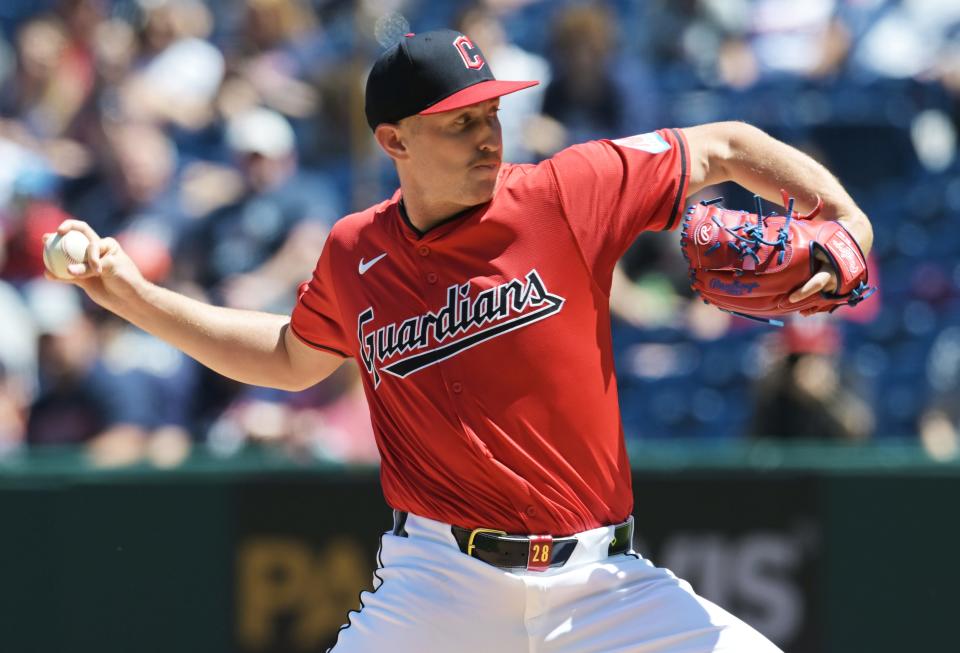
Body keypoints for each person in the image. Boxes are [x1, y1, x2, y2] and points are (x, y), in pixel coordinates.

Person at [46, 29, 873, 652]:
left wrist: (845, 218)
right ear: (393, 141)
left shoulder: (565, 193)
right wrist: (134, 296)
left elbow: (725, 145)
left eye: (490, 113)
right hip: (438, 583)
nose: (488, 135)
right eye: (457, 123)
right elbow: (289, 357)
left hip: (603, 584)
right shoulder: (354, 252)